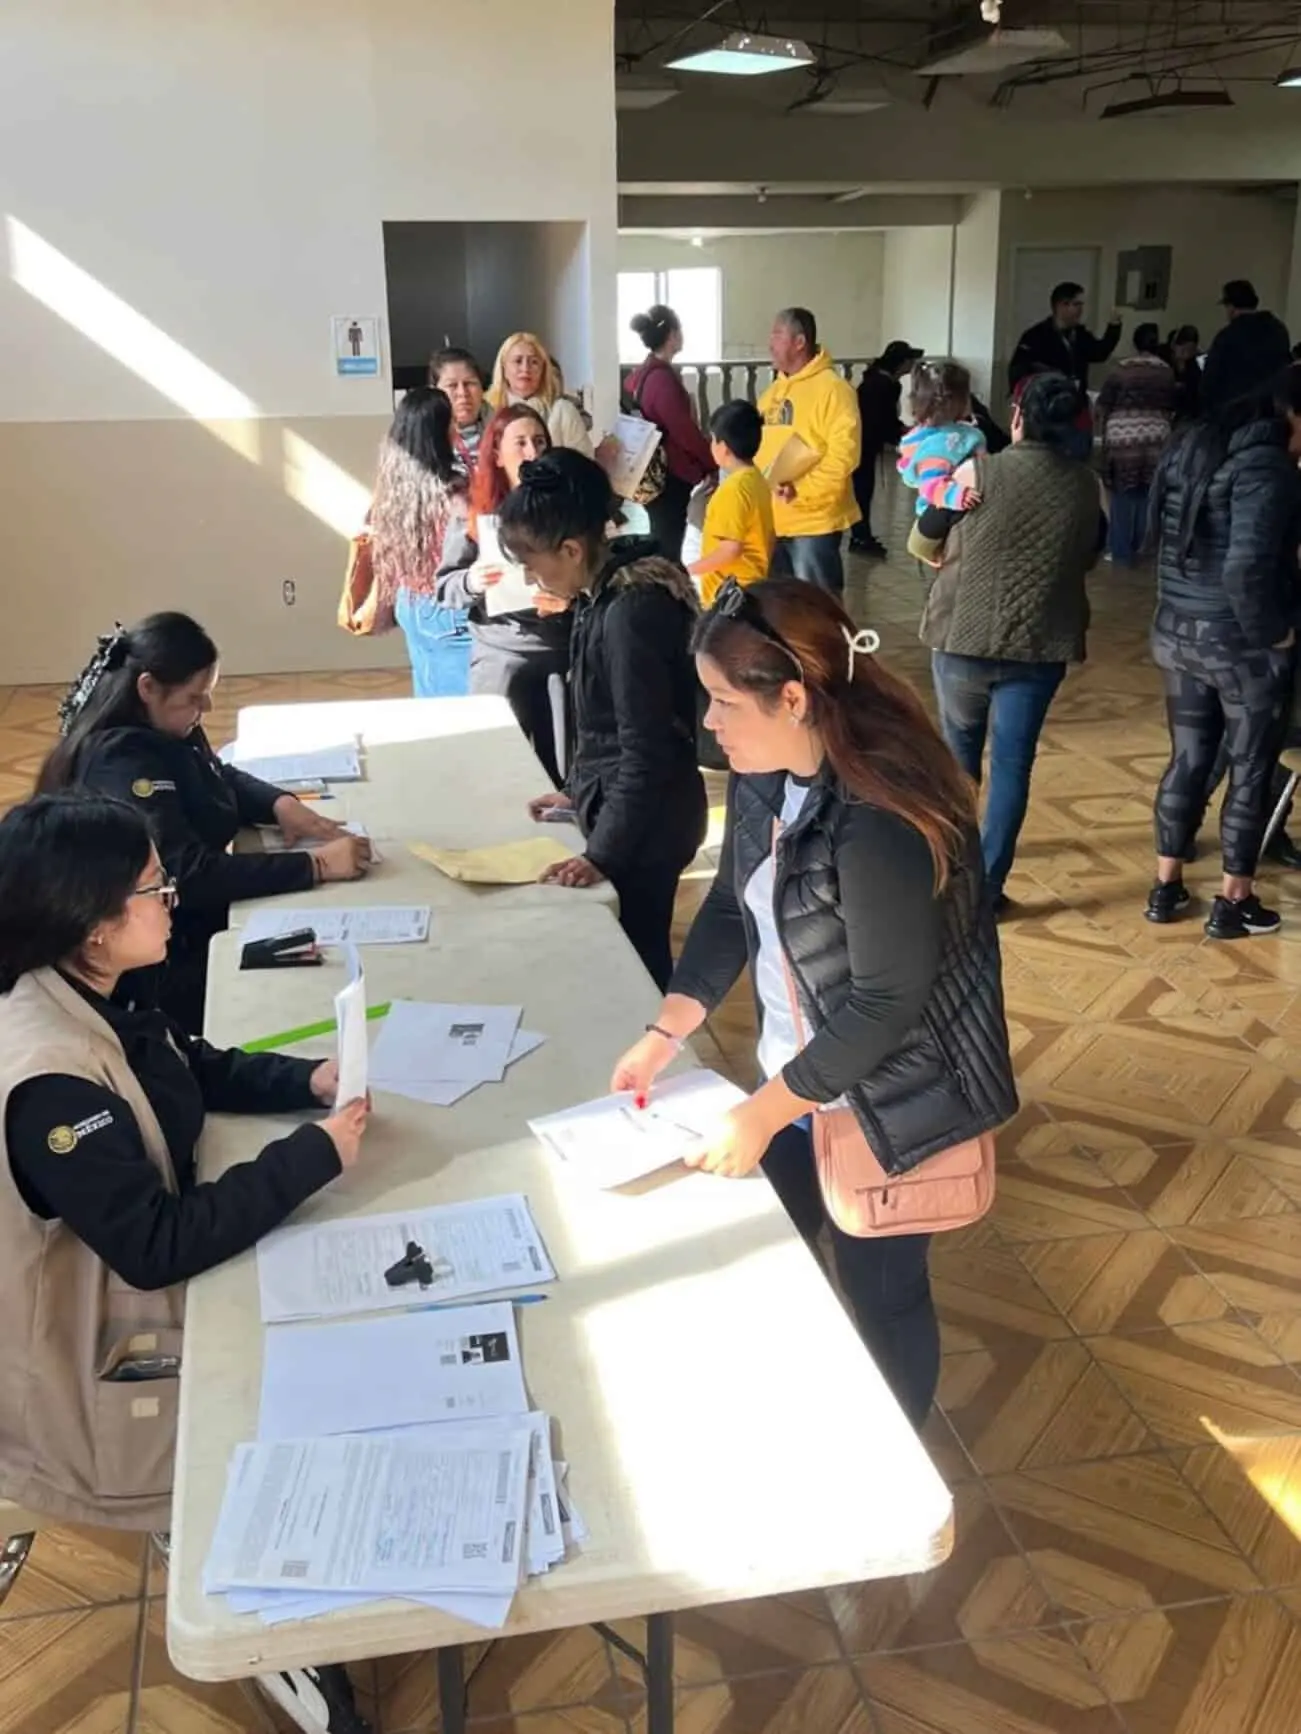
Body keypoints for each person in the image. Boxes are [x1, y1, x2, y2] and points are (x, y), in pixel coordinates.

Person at [0, 793, 371, 1734]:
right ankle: (261, 1605)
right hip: (86, 1352)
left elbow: (181, 1063)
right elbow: (154, 1245)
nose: (173, 900)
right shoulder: (47, 1078)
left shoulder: (95, 989)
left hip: (136, 1284)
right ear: (91, 927)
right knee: (299, 1384)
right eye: (155, 889)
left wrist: (306, 1081)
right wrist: (310, 1159)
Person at [609, 578, 1016, 1428]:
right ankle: (806, 1414)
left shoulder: (877, 816)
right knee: (771, 1255)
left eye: (723, 701)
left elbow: (885, 1003)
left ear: (791, 696)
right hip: (795, 1085)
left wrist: (761, 1113)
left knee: (883, 1292)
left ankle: (896, 1458)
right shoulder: (770, 773)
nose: (709, 725)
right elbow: (732, 903)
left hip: (886, 1102)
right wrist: (665, 1031)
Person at [36, 615, 369, 1030]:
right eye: (196, 697)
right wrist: (315, 866)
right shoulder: (121, 763)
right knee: (297, 996)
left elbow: (212, 774)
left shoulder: (163, 727)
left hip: (181, 931)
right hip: (153, 965)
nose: (207, 707)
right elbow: (186, 874)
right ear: (147, 689)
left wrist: (279, 804)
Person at [500, 450, 706, 989]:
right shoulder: (602, 594)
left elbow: (646, 748)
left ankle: (651, 1058)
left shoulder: (632, 612)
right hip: (627, 808)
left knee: (636, 967)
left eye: (531, 559)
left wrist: (604, 854)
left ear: (571, 549)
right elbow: (604, 724)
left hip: (648, 829)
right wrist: (577, 790)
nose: (528, 573)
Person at [921, 373, 1103, 915]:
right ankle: (989, 889)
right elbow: (1091, 553)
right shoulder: (1084, 485)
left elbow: (924, 536)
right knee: (1012, 767)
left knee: (957, 761)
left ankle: (950, 875)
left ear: (1018, 416)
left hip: (962, 640)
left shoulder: (977, 470)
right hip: (1039, 645)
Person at [1144, 361, 1301, 937]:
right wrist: (1275, 633)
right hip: (1240, 648)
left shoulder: (1194, 446)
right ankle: (1233, 901)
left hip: (1177, 634)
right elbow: (1246, 569)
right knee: (1251, 767)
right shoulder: (1268, 469)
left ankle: (1166, 887)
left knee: (1187, 759)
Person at [433, 404, 572, 785]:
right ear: (496, 453)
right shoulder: (474, 511)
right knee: (492, 772)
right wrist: (472, 581)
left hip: (559, 653)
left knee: (562, 774)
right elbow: (444, 586)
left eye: (540, 442)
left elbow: (597, 579)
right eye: (521, 443)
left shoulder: (570, 507)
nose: (532, 452)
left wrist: (570, 600)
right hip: (500, 652)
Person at [370, 387, 471, 698]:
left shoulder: (393, 485)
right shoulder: (455, 492)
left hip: (410, 602)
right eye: (451, 423)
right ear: (438, 433)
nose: (457, 429)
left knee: (430, 699)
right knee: (468, 714)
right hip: (450, 611)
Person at [758, 308, 862, 594]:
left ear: (800, 342)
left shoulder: (834, 390)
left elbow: (844, 457)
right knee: (780, 607)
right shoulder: (772, 394)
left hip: (814, 521)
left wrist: (801, 490)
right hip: (775, 518)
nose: (770, 343)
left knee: (817, 608)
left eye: (777, 335)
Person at [626, 304, 716, 562]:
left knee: (666, 537)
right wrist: (710, 462)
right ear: (673, 335)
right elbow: (683, 431)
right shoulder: (661, 380)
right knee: (669, 543)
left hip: (656, 471)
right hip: (670, 474)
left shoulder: (644, 375)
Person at [1096, 322, 1177, 566]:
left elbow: (1103, 404)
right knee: (1148, 492)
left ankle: (1120, 552)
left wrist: (1105, 436)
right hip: (1157, 437)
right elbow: (1172, 405)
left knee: (1121, 493)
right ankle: (1143, 547)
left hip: (1123, 438)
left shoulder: (1120, 370)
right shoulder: (1166, 371)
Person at [896, 359, 986, 564]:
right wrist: (958, 495)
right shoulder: (944, 443)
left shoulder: (928, 434)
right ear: (955, 401)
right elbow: (931, 484)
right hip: (941, 514)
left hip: (940, 513)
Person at [688, 399, 775, 606]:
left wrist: (689, 570)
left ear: (723, 447)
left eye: (713, 440)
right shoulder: (756, 479)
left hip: (729, 593)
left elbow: (730, 549)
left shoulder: (733, 490)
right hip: (750, 584)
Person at [850, 340, 921, 558]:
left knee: (861, 490)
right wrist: (900, 433)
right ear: (901, 363)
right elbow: (881, 420)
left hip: (860, 441)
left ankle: (860, 535)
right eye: (910, 360)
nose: (913, 365)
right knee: (862, 490)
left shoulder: (875, 379)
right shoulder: (885, 385)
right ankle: (860, 537)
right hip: (864, 443)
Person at [485, 333, 593, 457]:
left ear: (543, 369)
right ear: (504, 367)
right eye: (518, 361)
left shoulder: (563, 411)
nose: (525, 368)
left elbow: (585, 467)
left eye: (534, 362)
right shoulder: (487, 410)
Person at [1009, 281, 1122, 396]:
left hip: (1075, 401)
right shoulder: (1035, 336)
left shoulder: (1080, 334)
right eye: (1077, 304)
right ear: (1062, 305)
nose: (1081, 309)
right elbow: (1018, 370)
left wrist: (1114, 326)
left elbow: (1100, 353)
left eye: (1081, 305)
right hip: (1046, 403)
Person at [1202, 280, 1291, 414]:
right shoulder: (1278, 330)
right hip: (1271, 410)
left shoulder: (1228, 335)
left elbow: (1210, 381)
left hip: (1234, 412)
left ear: (1231, 307)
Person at [429, 346, 488, 467]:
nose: (463, 393)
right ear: (434, 392)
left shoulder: (505, 430)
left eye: (469, 383)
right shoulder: (425, 439)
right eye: (452, 385)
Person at [1164, 324, 1203, 423]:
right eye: (1183, 349)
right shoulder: (1165, 363)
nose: (1186, 353)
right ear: (1174, 346)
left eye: (1190, 350)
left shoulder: (1195, 368)